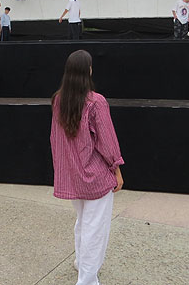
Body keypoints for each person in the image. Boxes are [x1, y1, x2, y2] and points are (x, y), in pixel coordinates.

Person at [50, 50, 124, 285]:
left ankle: (82, 264)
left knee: (83, 222)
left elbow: (55, 139)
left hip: (72, 175)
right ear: (88, 71)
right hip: (94, 177)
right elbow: (108, 141)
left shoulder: (59, 100)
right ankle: (87, 280)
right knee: (95, 230)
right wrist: (117, 169)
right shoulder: (96, 102)